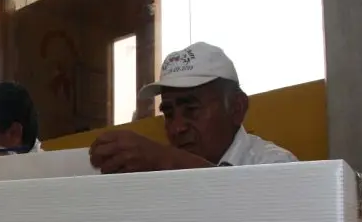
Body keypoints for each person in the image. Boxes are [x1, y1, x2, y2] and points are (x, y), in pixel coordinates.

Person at [89, 42, 297, 173]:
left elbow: (252, 214)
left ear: (236, 108)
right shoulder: (162, 170)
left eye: (191, 110)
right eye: (169, 113)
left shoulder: (276, 164)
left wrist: (167, 160)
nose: (177, 128)